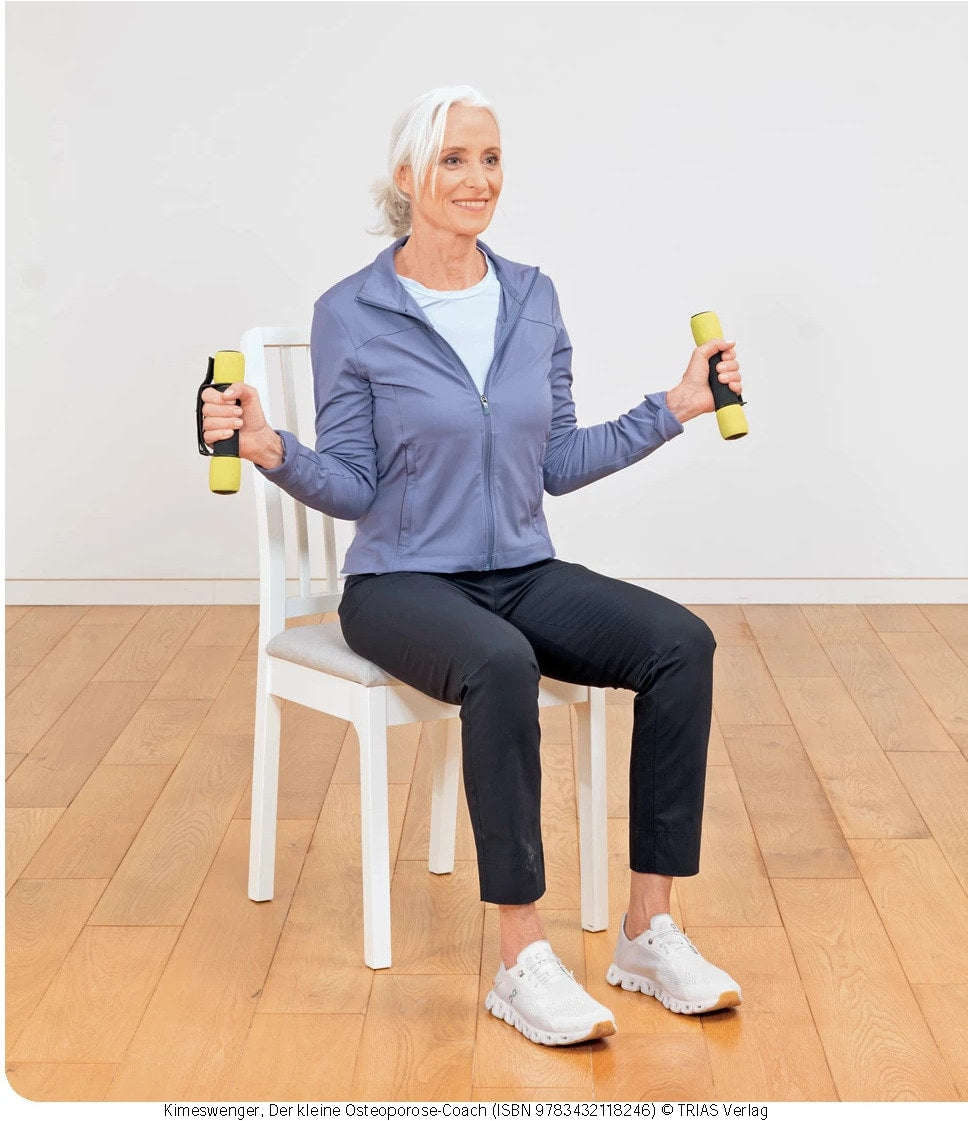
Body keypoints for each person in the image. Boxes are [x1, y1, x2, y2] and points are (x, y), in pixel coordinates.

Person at [201, 85, 744, 1047]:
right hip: (399, 583)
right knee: (500, 660)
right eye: (454, 159)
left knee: (680, 643)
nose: (477, 178)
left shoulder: (533, 296)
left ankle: (647, 931)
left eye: (490, 158)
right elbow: (355, 482)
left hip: (522, 568)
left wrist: (676, 406)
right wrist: (270, 448)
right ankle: (521, 958)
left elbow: (558, 459)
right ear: (407, 176)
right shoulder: (353, 310)